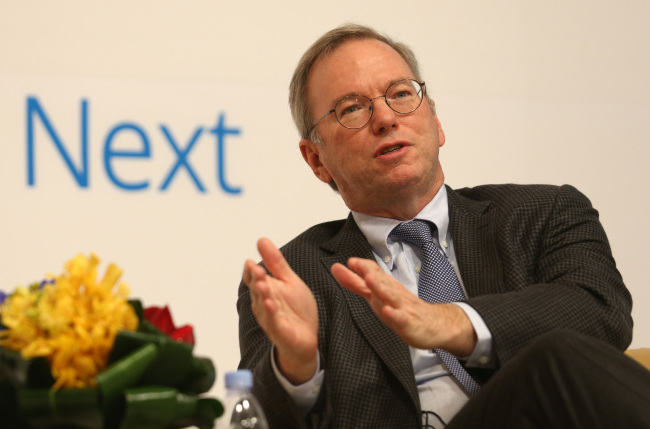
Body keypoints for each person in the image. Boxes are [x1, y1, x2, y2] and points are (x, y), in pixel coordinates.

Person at [237, 23, 650, 428]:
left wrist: (451, 322)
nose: (384, 117)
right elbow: (253, 418)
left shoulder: (543, 213)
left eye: (401, 94)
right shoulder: (292, 276)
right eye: (352, 108)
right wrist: (297, 368)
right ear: (316, 160)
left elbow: (602, 313)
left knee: (554, 355)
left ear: (435, 122)